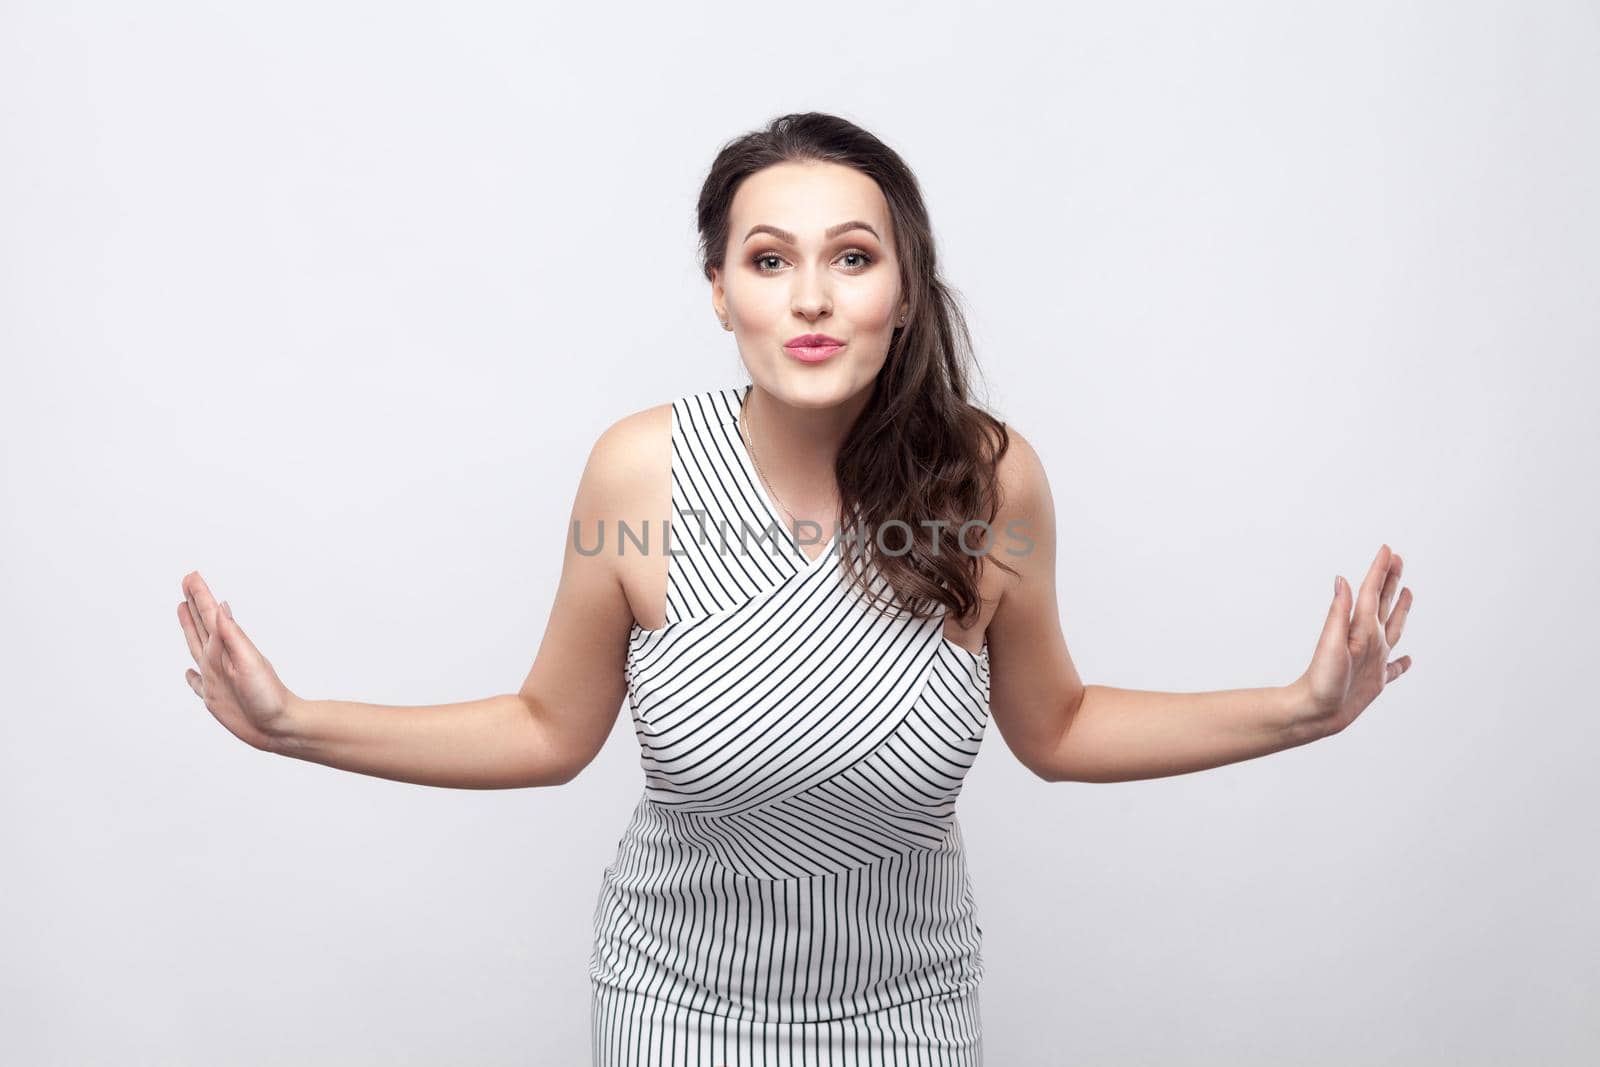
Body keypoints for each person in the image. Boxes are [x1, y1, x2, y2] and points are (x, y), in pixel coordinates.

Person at [175, 111, 1415, 1065]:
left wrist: (1299, 708)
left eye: (851, 256)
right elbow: (548, 728)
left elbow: (1060, 724)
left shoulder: (990, 484)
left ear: (904, 290)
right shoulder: (639, 475)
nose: (810, 294)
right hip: (674, 1001)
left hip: (907, 1009)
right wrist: (295, 725)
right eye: (768, 259)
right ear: (719, 291)